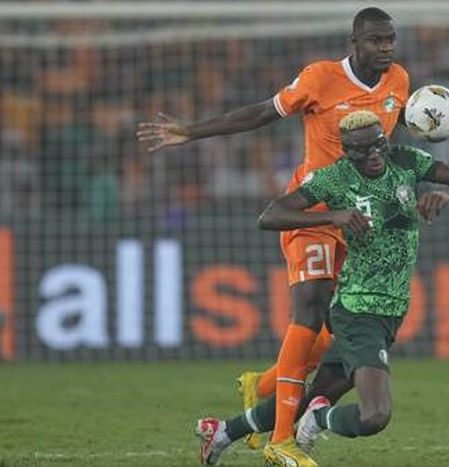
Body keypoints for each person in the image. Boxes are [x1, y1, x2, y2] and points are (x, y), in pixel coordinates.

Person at [137, 7, 409, 463]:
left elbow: (388, 140)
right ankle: (282, 439)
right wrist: (192, 132)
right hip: (312, 212)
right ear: (355, 42)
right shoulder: (320, 78)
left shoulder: (399, 80)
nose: (385, 48)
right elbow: (264, 112)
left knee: (341, 334)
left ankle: (260, 388)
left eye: (390, 40)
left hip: (358, 221)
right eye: (376, 40)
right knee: (311, 309)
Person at [194, 110, 449, 466]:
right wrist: (332, 216)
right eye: (362, 150)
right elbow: (270, 216)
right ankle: (318, 419)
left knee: (314, 393)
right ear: (347, 151)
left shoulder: (408, 161)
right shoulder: (334, 179)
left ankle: (222, 432)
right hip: (358, 311)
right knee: (374, 415)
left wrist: (447, 194)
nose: (374, 154)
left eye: (378, 144)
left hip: (390, 311)